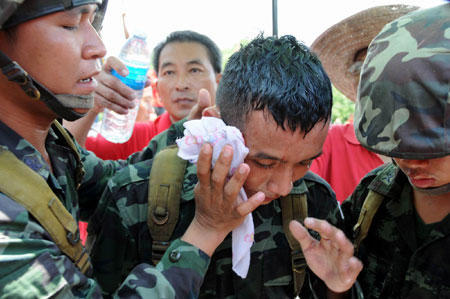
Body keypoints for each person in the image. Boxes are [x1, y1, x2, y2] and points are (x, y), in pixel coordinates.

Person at [0, 1, 264, 297]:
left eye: (92, 23)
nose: (98, 47)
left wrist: (191, 134)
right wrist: (205, 231)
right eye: (70, 24)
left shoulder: (50, 148)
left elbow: (117, 180)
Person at [87, 34, 361, 298]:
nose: (284, 185)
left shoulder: (312, 200)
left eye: (304, 162)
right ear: (217, 124)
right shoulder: (136, 197)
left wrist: (337, 289)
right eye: (265, 162)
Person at [292, 3, 450, 298]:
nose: (407, 161)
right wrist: (337, 289)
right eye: (392, 143)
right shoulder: (376, 192)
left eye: (428, 146)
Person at [309, 4, 418, 203]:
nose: (373, 79)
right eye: (362, 68)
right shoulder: (328, 141)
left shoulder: (435, 147)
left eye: (386, 65)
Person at [66, 30, 222, 160]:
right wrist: (91, 103)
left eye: (194, 70)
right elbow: (66, 157)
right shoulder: (130, 138)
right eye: (169, 72)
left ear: (219, 81)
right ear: (157, 89)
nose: (181, 84)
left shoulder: (240, 135)